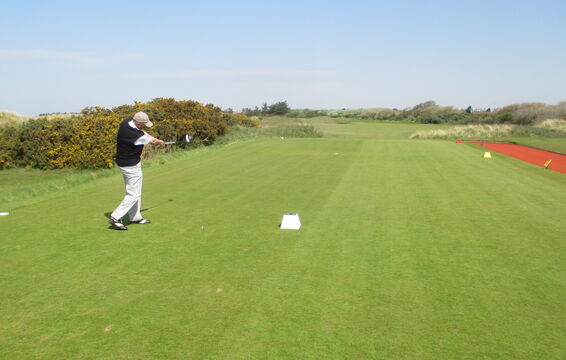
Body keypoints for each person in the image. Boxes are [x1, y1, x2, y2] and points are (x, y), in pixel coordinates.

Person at [108, 112, 165, 230]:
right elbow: (149, 140)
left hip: (123, 163)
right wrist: (158, 141)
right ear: (138, 123)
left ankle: (135, 217)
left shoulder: (126, 122)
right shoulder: (134, 135)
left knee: (134, 191)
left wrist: (154, 138)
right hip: (130, 165)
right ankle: (115, 217)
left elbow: (144, 133)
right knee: (134, 194)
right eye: (143, 125)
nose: (144, 127)